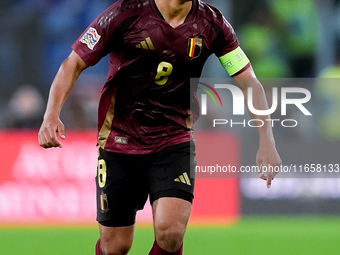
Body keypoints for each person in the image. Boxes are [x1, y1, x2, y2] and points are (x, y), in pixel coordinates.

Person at [38, 0, 282, 254]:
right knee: (116, 246)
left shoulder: (213, 24)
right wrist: (51, 114)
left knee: (171, 234)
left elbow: (249, 82)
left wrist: (267, 139)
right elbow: (73, 64)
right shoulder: (124, 14)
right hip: (120, 141)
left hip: (174, 139)